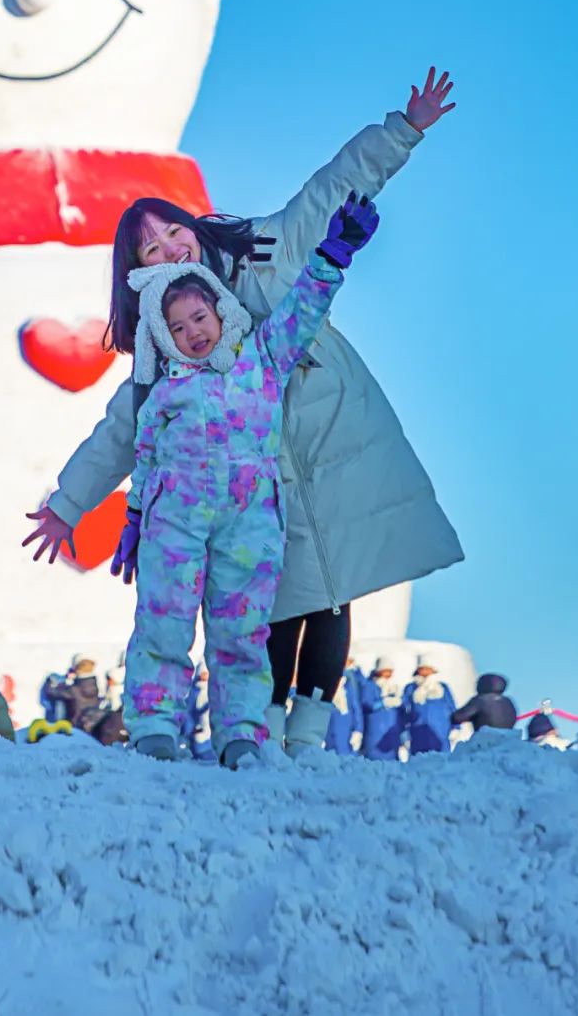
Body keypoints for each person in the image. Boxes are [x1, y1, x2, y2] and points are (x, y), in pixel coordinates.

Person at [23, 73, 463, 755]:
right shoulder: (164, 344)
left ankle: (310, 736)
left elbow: (327, 191)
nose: (172, 249)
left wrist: (402, 130)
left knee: (333, 584)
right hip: (249, 473)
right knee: (271, 596)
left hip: (325, 428)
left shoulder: (260, 249)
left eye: (174, 231)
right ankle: (262, 727)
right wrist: (70, 502)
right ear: (137, 271)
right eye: (152, 249)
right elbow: (124, 427)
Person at [110, 193, 377, 768]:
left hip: (249, 522)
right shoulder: (165, 393)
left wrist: (335, 253)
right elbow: (146, 455)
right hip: (173, 524)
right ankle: (155, 726)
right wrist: (135, 518)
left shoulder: (263, 356)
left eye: (200, 318)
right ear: (164, 335)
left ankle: (240, 733)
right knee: (162, 623)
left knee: (241, 632)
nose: (193, 333)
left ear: (222, 311)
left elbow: (303, 308)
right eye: (177, 328)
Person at [402, 655, 456, 756]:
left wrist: (455, 728)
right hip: (417, 734)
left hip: (440, 733)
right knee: (419, 764)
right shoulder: (411, 688)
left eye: (427, 669)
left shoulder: (442, 688)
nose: (425, 671)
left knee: (441, 763)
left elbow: (452, 708)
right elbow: (404, 711)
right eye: (422, 669)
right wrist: (403, 731)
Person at [360, 659, 406, 761]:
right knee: (373, 759)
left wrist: (402, 730)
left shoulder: (394, 688)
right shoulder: (369, 686)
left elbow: (402, 712)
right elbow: (367, 704)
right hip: (375, 730)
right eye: (385, 671)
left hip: (392, 732)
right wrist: (382, 703)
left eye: (390, 671)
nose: (388, 674)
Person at [324, 656, 365, 756]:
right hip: (328, 733)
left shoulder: (348, 687)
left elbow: (356, 710)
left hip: (346, 733)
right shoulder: (325, 687)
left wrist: (358, 730)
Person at [451, 672, 517, 733]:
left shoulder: (481, 700)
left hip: (485, 740)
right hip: (507, 739)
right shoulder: (508, 701)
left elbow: (458, 717)